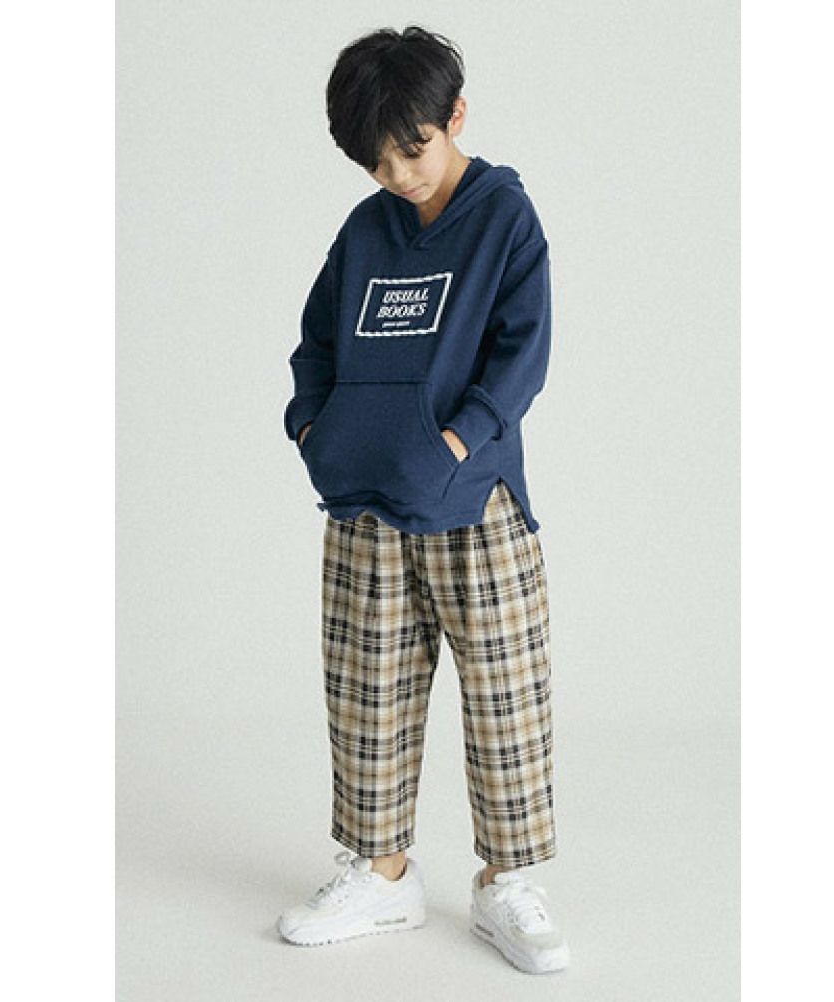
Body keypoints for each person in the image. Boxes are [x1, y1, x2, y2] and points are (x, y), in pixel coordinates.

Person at [276, 25, 569, 974]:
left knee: (506, 692)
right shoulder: (366, 230)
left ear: (457, 117)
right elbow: (317, 340)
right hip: (363, 502)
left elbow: (523, 350)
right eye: (377, 160)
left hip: (473, 496)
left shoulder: (503, 217)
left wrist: (458, 441)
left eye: (415, 148)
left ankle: (506, 883)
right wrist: (310, 426)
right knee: (367, 691)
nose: (399, 174)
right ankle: (382, 874)